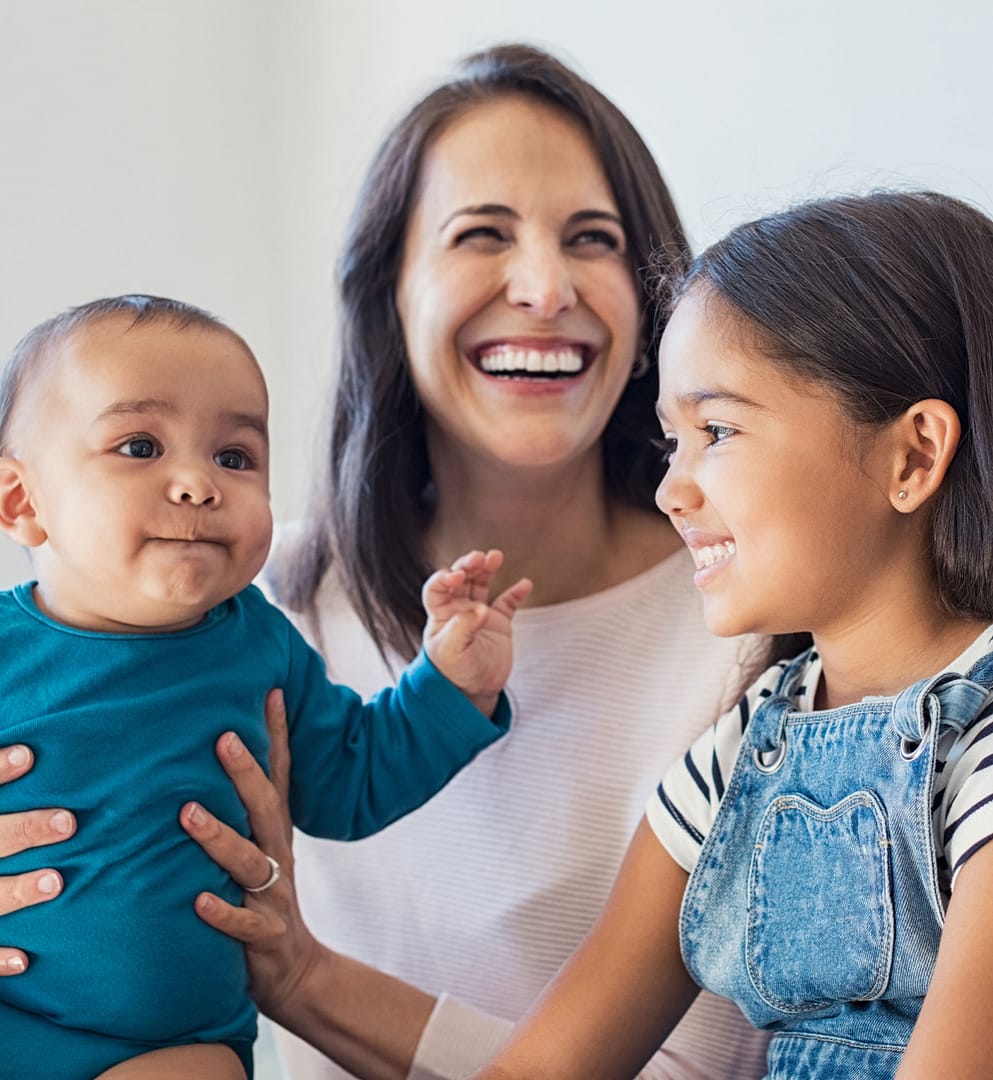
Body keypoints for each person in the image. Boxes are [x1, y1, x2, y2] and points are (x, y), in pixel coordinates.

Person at [195, 43, 778, 1079]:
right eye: (482, 234)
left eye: (592, 240)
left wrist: (312, 983)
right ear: (390, 293)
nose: (546, 288)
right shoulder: (259, 606)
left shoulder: (750, 626)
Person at [427, 189, 993, 1078]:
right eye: (669, 443)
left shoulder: (980, 756)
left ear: (912, 455)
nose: (670, 491)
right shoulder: (741, 756)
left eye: (716, 430)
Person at [0, 293, 530, 1080]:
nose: (197, 483)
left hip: (166, 1043)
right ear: (23, 502)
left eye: (235, 457)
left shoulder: (260, 642)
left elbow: (348, 780)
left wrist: (450, 688)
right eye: (140, 445)